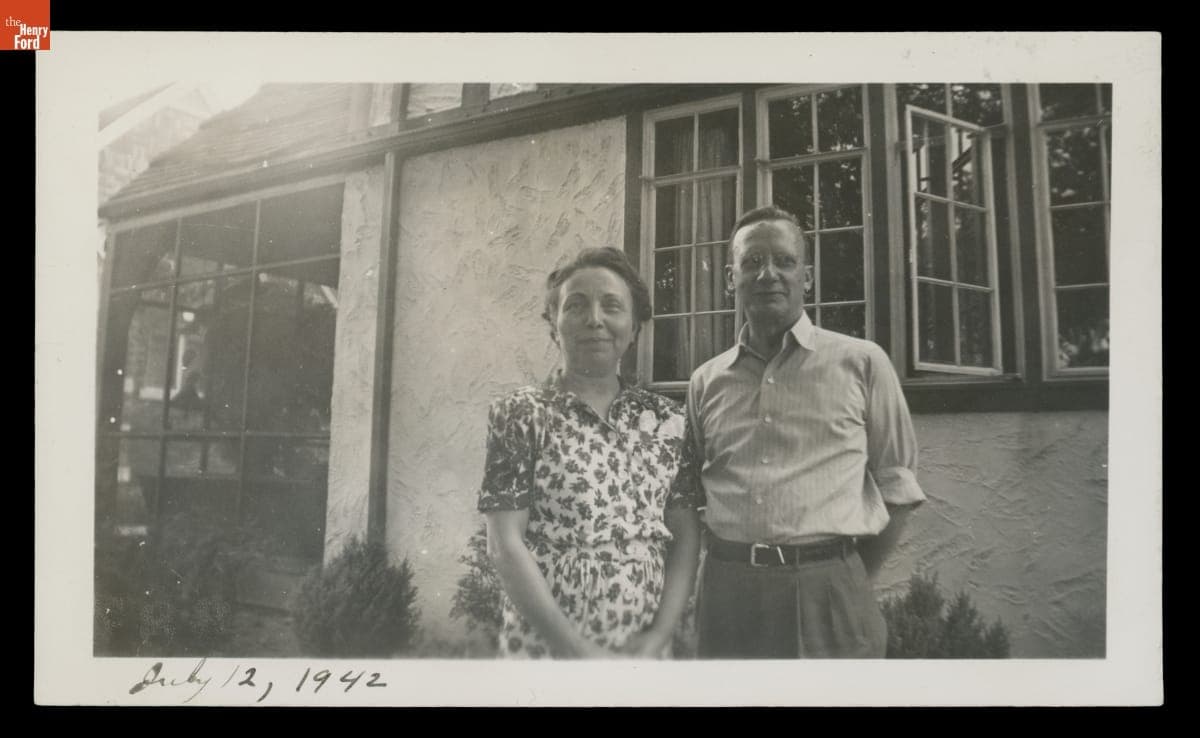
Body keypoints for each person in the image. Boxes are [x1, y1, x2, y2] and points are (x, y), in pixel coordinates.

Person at [676, 205, 925, 659]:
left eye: (784, 261)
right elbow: (691, 498)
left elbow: (899, 489)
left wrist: (841, 576)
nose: (768, 273)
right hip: (726, 593)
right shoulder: (706, 381)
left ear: (806, 277)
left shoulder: (863, 363)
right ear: (731, 279)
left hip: (827, 590)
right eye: (751, 262)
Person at [477, 247, 702, 659]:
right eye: (575, 306)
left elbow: (686, 537)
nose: (594, 320)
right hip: (548, 649)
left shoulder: (669, 422)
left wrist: (657, 639)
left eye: (612, 306)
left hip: (642, 650)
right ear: (553, 325)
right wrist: (576, 651)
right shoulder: (520, 415)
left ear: (634, 327)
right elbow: (504, 544)